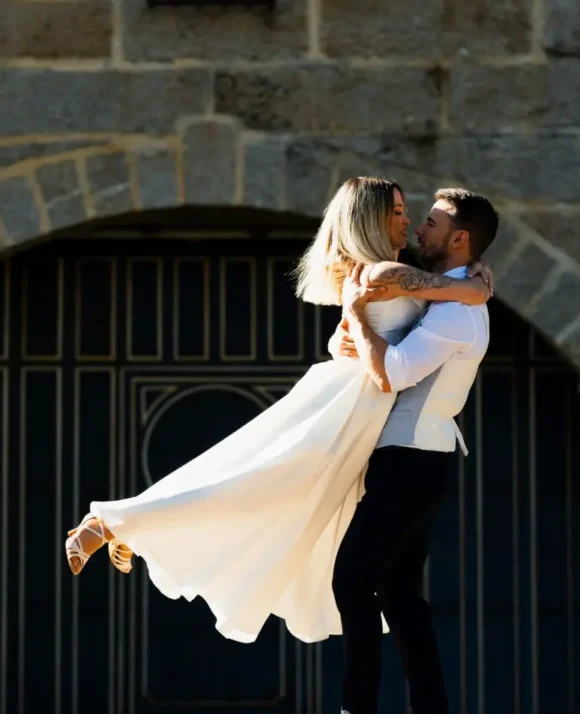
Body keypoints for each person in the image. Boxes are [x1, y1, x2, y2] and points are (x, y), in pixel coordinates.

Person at [64, 178, 490, 647]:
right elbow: (464, 296)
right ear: (369, 219)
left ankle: (137, 527)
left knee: (276, 494)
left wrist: (473, 274)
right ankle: (114, 521)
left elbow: (380, 321)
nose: (408, 221)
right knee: (254, 481)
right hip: (348, 404)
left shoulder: (388, 268)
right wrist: (477, 282)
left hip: (362, 407)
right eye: (396, 212)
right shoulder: (383, 273)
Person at [323, 187, 498, 714]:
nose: (420, 228)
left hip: (413, 459)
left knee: (353, 577)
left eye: (430, 222)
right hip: (410, 456)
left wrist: (354, 314)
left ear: (459, 238)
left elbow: (392, 374)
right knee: (399, 593)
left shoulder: (455, 315)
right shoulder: (452, 299)